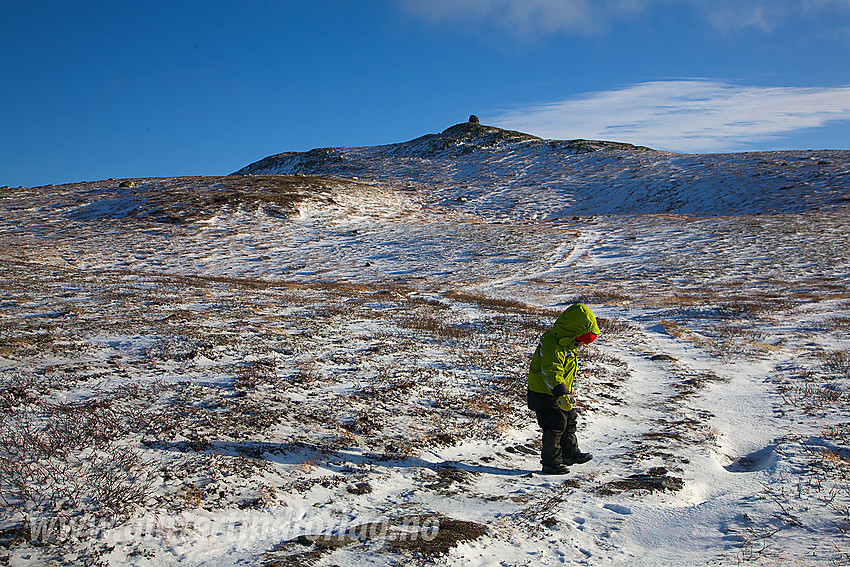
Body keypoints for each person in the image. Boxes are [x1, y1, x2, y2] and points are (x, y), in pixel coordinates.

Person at [527, 303, 600, 475]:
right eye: (582, 341)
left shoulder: (568, 344)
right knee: (555, 424)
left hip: (559, 392)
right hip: (545, 392)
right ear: (574, 333)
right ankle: (551, 463)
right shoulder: (553, 342)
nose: (581, 345)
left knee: (569, 419)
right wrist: (560, 390)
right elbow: (551, 369)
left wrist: (564, 392)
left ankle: (570, 454)